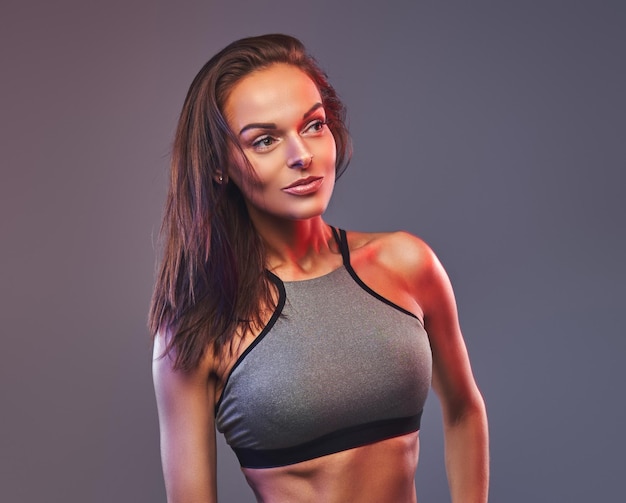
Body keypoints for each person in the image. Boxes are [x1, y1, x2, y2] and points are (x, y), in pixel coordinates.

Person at [149, 34, 489, 503]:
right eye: (265, 140)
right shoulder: (198, 329)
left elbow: (463, 410)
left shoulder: (407, 263)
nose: (301, 155)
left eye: (312, 125)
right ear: (219, 165)